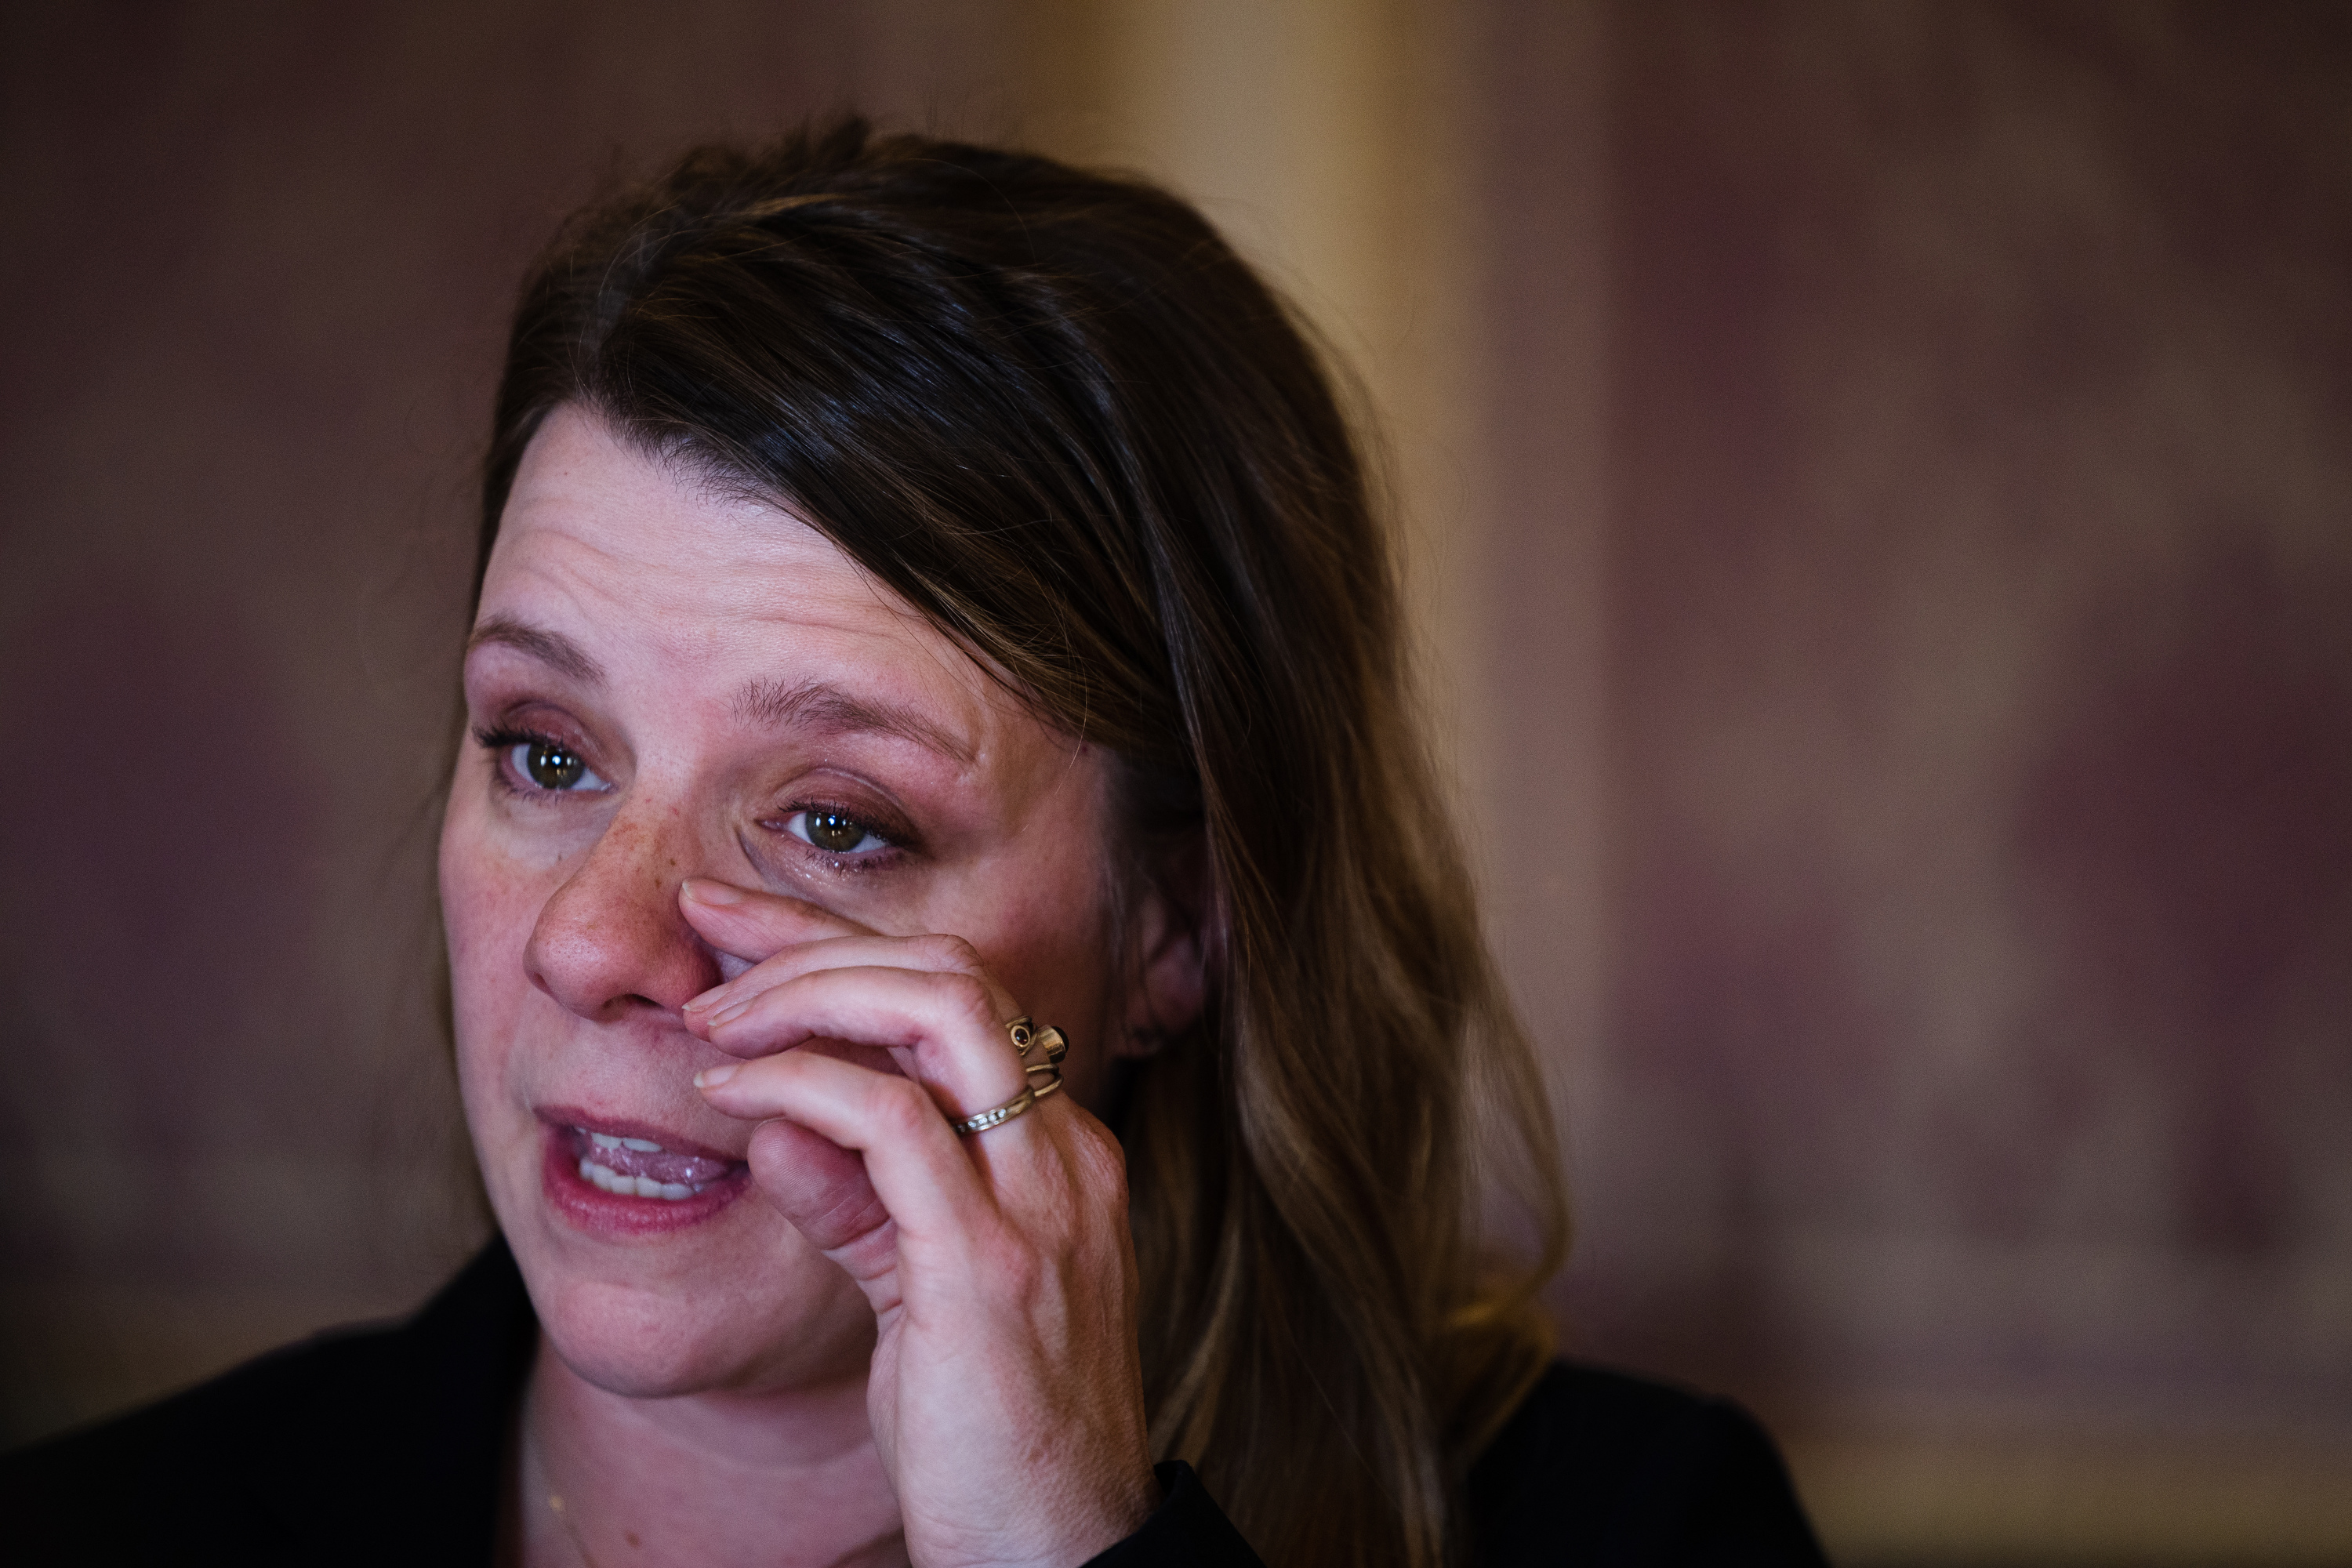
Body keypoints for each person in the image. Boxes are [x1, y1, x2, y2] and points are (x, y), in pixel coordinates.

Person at [2, 121, 1825, 1566]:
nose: (594, 941)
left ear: (1174, 929)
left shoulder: (1634, 1525)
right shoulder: (107, 1529)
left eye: (832, 820)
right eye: (548, 753)